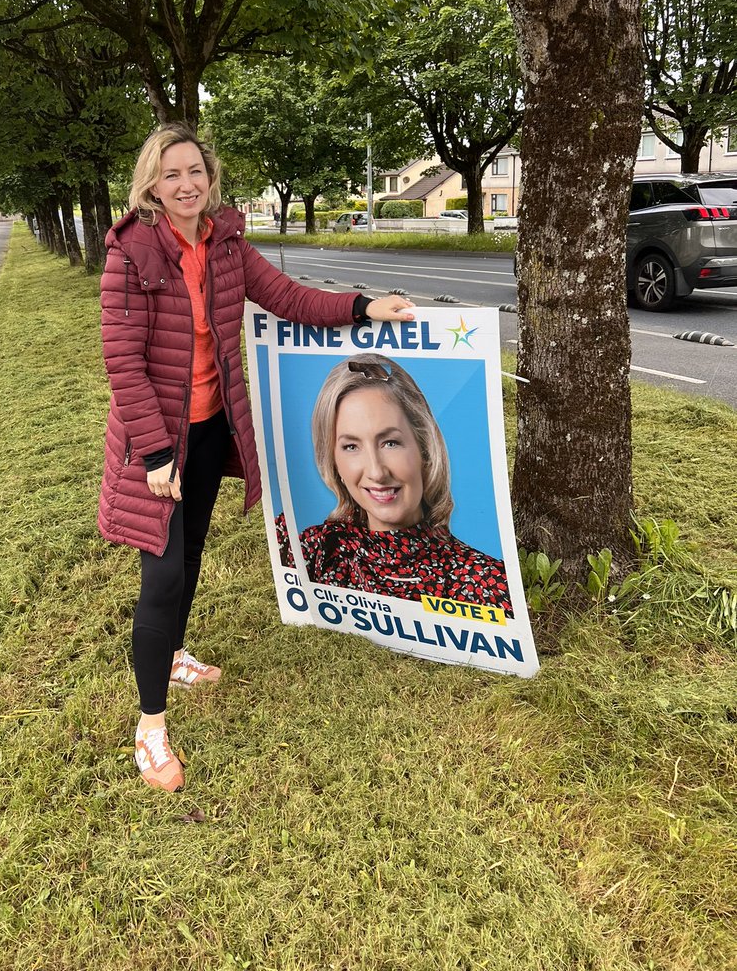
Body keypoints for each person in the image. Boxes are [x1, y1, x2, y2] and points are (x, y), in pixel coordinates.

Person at [98, 122, 414, 791]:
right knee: (162, 577)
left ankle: (175, 656)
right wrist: (156, 453)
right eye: (172, 173)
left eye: (196, 172)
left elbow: (289, 298)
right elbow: (122, 361)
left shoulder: (226, 243)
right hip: (159, 444)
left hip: (212, 431)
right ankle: (150, 728)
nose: (186, 184)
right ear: (152, 182)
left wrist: (363, 305)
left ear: (210, 179)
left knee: (188, 559)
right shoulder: (132, 250)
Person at [278, 355, 511, 611]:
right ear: (334, 463)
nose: (377, 472)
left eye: (390, 443)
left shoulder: (485, 581)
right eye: (351, 446)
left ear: (425, 450)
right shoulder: (311, 551)